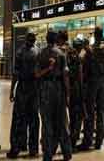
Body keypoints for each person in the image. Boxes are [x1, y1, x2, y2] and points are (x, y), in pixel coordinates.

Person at [35, 29, 72, 161]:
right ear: (55, 39)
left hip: (45, 90)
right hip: (58, 90)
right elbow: (65, 75)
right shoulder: (61, 54)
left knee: (47, 122)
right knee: (61, 121)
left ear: (46, 39)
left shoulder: (40, 54)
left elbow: (37, 74)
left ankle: (47, 154)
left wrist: (47, 69)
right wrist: (67, 94)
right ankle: (67, 153)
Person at [7, 32, 40, 159]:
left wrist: (12, 90)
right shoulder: (38, 52)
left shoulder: (20, 52)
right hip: (34, 89)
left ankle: (16, 148)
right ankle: (34, 149)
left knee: (18, 119)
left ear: (26, 40)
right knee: (33, 119)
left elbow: (16, 73)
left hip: (23, 88)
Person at [79, 27, 104, 150]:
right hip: (102, 82)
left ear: (95, 35)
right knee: (101, 112)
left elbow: (83, 64)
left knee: (90, 112)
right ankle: (99, 141)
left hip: (92, 82)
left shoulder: (90, 49)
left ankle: (87, 140)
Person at [68, 38, 85, 149]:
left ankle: (72, 138)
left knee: (72, 115)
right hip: (77, 89)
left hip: (70, 89)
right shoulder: (78, 58)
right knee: (78, 115)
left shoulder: (68, 56)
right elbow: (80, 76)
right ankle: (74, 138)